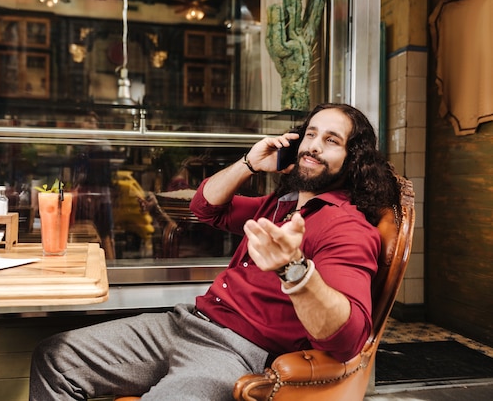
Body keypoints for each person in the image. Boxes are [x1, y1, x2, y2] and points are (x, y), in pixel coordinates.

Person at [29, 103, 400, 401]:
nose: (314, 145)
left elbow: (349, 337)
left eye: (332, 140)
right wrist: (250, 163)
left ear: (353, 159)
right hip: (185, 322)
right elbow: (206, 207)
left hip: (233, 351)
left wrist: (294, 269)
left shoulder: (347, 227)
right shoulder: (279, 203)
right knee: (56, 358)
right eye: (311, 134)